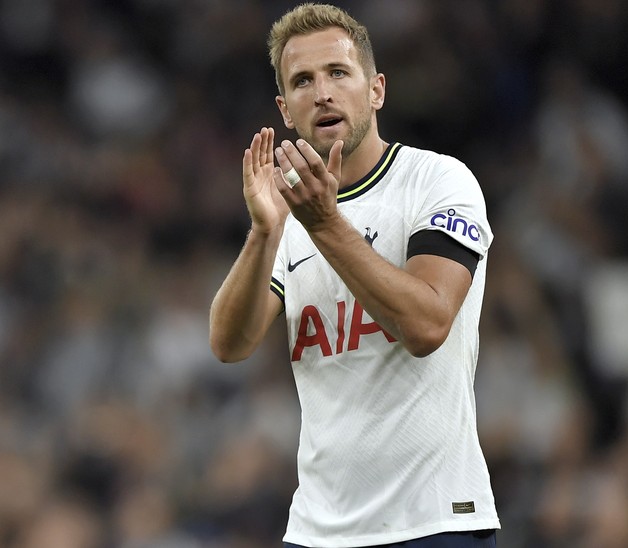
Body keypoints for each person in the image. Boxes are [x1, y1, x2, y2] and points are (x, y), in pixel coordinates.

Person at [209, 3, 500, 547]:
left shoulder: (437, 181)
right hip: (318, 530)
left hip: (434, 520)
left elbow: (426, 324)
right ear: (285, 109)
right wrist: (264, 232)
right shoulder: (288, 212)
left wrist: (324, 224)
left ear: (376, 90)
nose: (322, 92)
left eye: (338, 73)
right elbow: (229, 343)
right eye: (302, 81)